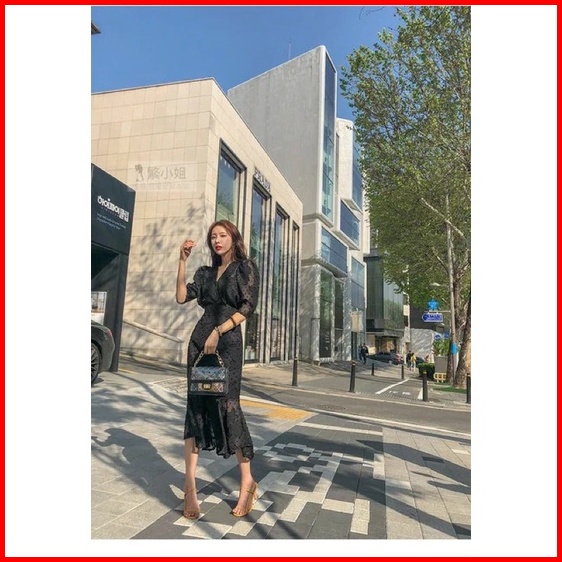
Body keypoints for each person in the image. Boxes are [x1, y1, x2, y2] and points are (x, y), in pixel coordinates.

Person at [175, 220, 260, 520]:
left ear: (233, 238)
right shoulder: (205, 273)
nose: (217, 240)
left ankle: (247, 482)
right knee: (196, 406)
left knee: (228, 405)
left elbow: (247, 307)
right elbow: (181, 297)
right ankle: (190, 486)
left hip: (227, 344)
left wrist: (219, 331)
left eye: (222, 235)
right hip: (200, 344)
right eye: (213, 236)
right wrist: (182, 262)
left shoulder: (245, 268)